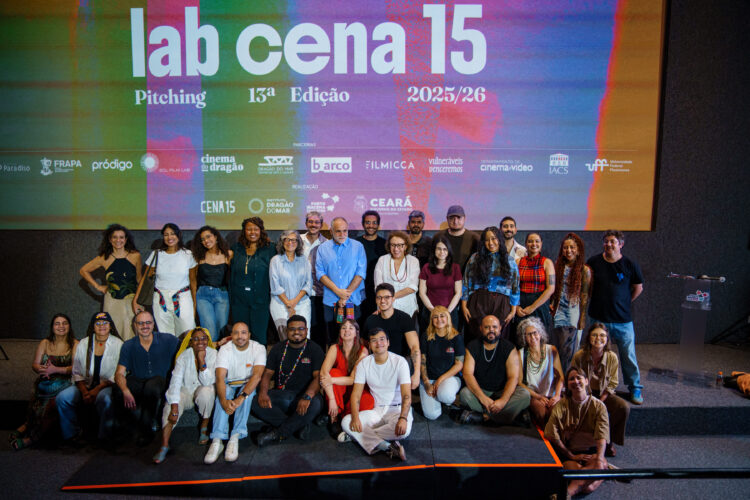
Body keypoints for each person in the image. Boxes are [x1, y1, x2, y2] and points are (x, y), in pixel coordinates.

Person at [587, 230, 645, 404]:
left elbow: (638, 288)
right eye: (606, 241)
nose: (609, 244)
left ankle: (634, 387)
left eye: (613, 241)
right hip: (599, 319)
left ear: (621, 244)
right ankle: (595, 386)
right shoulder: (593, 262)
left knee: (628, 355)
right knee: (596, 355)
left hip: (622, 321)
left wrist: (625, 302)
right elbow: (587, 286)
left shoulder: (630, 264)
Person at [341, 328, 413, 461]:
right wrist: (355, 418)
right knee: (346, 421)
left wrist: (403, 418)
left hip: (397, 410)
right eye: (374, 340)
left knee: (404, 431)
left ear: (388, 342)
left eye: (382, 339)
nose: (378, 343)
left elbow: (406, 395)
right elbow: (356, 395)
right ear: (369, 345)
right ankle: (387, 446)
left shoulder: (400, 362)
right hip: (377, 410)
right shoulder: (364, 364)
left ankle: (357, 436)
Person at [253, 316, 326, 447]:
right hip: (283, 396)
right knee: (254, 402)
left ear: (306, 330)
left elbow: (318, 377)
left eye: (301, 329)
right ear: (286, 331)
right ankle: (298, 425)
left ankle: (278, 434)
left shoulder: (315, 349)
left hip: (305, 396)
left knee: (316, 403)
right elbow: (267, 373)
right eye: (292, 329)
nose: (296, 332)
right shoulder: (278, 348)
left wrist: (307, 396)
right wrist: (263, 393)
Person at [10, 314, 77, 450]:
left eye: (64, 323)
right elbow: (35, 364)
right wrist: (43, 369)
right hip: (46, 381)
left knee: (48, 407)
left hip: (65, 382)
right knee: (37, 399)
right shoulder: (44, 343)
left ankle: (32, 438)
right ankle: (27, 426)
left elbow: (75, 368)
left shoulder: (75, 343)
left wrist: (55, 369)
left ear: (69, 326)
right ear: (52, 327)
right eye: (57, 323)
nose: (61, 326)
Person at [114, 310, 179, 446]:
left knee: (151, 387)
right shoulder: (128, 345)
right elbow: (119, 373)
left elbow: (189, 344)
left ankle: (146, 431)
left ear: (153, 324)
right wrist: (125, 391)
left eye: (148, 322)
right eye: (141, 323)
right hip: (138, 380)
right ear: (135, 325)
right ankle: (126, 430)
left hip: (160, 381)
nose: (145, 326)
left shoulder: (167, 340)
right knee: (118, 389)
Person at [153, 327, 217, 464]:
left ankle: (204, 427)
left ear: (207, 340)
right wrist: (174, 406)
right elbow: (175, 381)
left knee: (208, 392)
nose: (200, 342)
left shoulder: (213, 354)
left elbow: (207, 381)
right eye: (196, 339)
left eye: (203, 338)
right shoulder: (184, 356)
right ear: (190, 342)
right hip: (186, 391)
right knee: (170, 406)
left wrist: (202, 360)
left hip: (203, 389)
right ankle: (164, 445)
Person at [57, 312, 122, 445]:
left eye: (105, 323)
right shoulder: (84, 343)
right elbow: (76, 371)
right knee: (62, 398)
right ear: (93, 326)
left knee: (106, 399)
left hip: (106, 385)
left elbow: (118, 373)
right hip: (85, 386)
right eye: (98, 323)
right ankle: (72, 434)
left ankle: (103, 437)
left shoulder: (118, 344)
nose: (102, 326)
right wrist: (84, 391)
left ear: (110, 326)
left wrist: (97, 390)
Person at [204, 322, 265, 464]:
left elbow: (257, 376)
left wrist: (241, 398)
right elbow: (220, 378)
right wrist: (224, 401)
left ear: (249, 335)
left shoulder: (258, 348)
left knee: (248, 395)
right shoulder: (225, 349)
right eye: (236, 333)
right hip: (229, 382)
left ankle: (234, 437)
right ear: (231, 335)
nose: (240, 336)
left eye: (243, 332)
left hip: (247, 383)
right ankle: (217, 440)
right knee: (223, 393)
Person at [545, 367, 610, 497]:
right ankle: (603, 473)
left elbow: (602, 435)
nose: (575, 381)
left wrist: (599, 457)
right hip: (572, 455)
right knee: (587, 486)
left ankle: (565, 494)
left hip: (593, 454)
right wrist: (570, 455)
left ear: (586, 381)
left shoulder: (599, 406)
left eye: (579, 377)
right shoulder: (561, 405)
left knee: (597, 466)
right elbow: (550, 433)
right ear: (567, 385)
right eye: (571, 379)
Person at [455, 315, 530, 425]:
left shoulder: (509, 347)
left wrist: (503, 401)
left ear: (500, 328)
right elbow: (467, 374)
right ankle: (510, 416)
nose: (491, 330)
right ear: (481, 328)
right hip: (481, 391)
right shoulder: (472, 346)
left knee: (525, 395)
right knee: (464, 394)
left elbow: (513, 377)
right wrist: (483, 398)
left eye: (494, 327)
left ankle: (483, 417)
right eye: (487, 327)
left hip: (502, 391)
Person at [572, 323, 630, 457]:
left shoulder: (612, 357)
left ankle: (609, 442)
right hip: (585, 393)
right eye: (594, 335)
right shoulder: (580, 356)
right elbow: (574, 378)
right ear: (589, 338)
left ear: (607, 338)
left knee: (623, 407)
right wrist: (587, 398)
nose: (598, 338)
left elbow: (613, 382)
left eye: (602, 335)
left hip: (604, 394)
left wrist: (601, 401)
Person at [133, 223, 197, 336]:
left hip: (183, 297)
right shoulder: (157, 254)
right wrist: (136, 300)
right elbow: (145, 279)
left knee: (187, 333)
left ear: (178, 235)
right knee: (165, 334)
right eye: (166, 234)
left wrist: (194, 304)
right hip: (160, 298)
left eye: (172, 234)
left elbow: (193, 281)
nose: (169, 237)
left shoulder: (188, 254)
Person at [80, 224, 142, 340]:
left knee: (133, 333)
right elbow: (83, 270)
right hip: (112, 302)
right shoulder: (104, 258)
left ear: (126, 239)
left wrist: (139, 299)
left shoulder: (135, 255)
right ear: (110, 239)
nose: (118, 240)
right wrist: (97, 286)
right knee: (113, 333)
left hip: (132, 301)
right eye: (115, 237)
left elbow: (139, 279)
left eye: (121, 237)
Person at [461, 227, 520, 341]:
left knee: (499, 337)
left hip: (502, 303)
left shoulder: (509, 260)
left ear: (500, 240)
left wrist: (513, 310)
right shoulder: (475, 258)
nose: (491, 243)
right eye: (487, 240)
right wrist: (464, 305)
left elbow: (515, 287)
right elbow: (466, 282)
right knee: (476, 336)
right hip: (478, 301)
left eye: (494, 238)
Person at [319, 319, 374, 440]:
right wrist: (332, 399)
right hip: (338, 390)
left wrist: (332, 380)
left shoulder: (363, 351)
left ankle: (345, 417)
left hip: (355, 388)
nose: (346, 330)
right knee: (333, 373)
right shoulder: (334, 348)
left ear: (356, 333)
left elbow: (354, 379)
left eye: (351, 328)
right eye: (343, 328)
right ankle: (334, 419)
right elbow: (323, 373)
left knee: (368, 400)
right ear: (340, 332)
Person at [315, 217, 367, 346]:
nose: (342, 234)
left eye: (345, 231)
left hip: (352, 300)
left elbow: (360, 273)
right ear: (331, 231)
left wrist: (345, 296)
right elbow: (320, 273)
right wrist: (337, 291)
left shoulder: (358, 247)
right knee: (333, 338)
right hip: (330, 301)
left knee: (353, 337)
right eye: (338, 231)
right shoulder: (322, 248)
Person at [364, 284, 421, 390]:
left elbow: (414, 347)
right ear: (376, 300)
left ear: (393, 299)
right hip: (378, 364)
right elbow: (364, 346)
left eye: (387, 297)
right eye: (379, 297)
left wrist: (417, 374)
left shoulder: (404, 318)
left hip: (400, 364)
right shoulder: (371, 320)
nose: (382, 301)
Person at [229, 217, 275, 346]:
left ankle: (259, 359)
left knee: (259, 337)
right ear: (244, 231)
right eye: (249, 229)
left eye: (256, 229)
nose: (252, 232)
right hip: (239, 301)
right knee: (240, 337)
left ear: (261, 231)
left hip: (260, 300)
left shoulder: (270, 249)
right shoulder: (236, 249)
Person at [550, 233, 591, 373]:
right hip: (558, 311)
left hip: (573, 312)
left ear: (578, 250)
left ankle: (569, 376)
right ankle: (557, 376)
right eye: (565, 247)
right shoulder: (558, 266)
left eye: (572, 247)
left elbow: (584, 296)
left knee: (571, 348)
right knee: (558, 346)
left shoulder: (584, 270)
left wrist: (582, 319)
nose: (568, 251)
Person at [419, 306, 464, 420]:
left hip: (449, 377)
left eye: (442, 316)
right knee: (432, 415)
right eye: (435, 317)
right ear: (431, 320)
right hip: (429, 378)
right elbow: (422, 361)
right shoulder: (426, 336)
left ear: (448, 318)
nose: (439, 319)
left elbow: (459, 364)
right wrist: (426, 383)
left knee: (445, 395)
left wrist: (440, 380)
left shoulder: (456, 337)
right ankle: (438, 398)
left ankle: (445, 400)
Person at [516, 317, 563, 426]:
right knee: (541, 415)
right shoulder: (521, 354)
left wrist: (557, 395)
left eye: (535, 333)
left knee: (554, 415)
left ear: (540, 333)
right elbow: (520, 383)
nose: (533, 337)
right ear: (524, 337)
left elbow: (560, 377)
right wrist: (538, 397)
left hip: (551, 394)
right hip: (534, 395)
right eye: (528, 334)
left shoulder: (551, 350)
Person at [190, 226, 233, 342]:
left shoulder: (228, 254)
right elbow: (193, 281)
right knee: (209, 330)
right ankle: (210, 353)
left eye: (208, 237)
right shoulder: (198, 257)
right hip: (203, 296)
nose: (206, 241)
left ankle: (221, 353)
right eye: (202, 239)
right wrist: (194, 302)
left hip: (222, 295)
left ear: (216, 237)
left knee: (222, 329)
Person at [269, 230, 312, 341]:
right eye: (287, 240)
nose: (290, 242)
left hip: (302, 304)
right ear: (282, 242)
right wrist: (289, 305)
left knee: (304, 337)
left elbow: (308, 284)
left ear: (298, 242)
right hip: (280, 304)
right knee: (285, 337)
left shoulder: (304, 260)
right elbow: (275, 286)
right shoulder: (275, 261)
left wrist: (293, 303)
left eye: (293, 240)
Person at [515, 232, 555, 343]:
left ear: (541, 244)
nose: (534, 244)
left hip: (539, 304)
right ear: (526, 244)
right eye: (530, 241)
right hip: (521, 304)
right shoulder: (518, 262)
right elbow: (513, 287)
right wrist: (516, 306)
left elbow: (550, 289)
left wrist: (533, 307)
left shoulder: (547, 262)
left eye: (537, 241)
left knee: (540, 338)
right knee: (521, 338)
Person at [374, 231, 420, 323]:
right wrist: (387, 299)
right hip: (385, 308)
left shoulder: (413, 261)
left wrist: (389, 297)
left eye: (400, 245)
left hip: (408, 308)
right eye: (393, 245)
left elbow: (413, 287)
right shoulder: (382, 260)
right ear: (389, 246)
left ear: (406, 246)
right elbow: (378, 287)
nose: (396, 249)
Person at [418, 235, 462, 330]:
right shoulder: (426, 267)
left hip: (450, 311)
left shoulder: (455, 268)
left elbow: (458, 293)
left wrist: (447, 312)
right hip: (430, 311)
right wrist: (433, 310)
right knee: (428, 337)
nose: (442, 252)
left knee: (451, 338)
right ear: (434, 250)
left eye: (445, 249)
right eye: (439, 249)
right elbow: (422, 293)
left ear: (449, 251)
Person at [302, 211, 328, 345]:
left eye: (317, 222)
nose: (313, 225)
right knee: (302, 329)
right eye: (310, 222)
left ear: (321, 225)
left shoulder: (327, 244)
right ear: (306, 223)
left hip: (319, 293)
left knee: (319, 330)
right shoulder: (297, 240)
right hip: (299, 293)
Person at [356, 210, 387, 320]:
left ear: (378, 225)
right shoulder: (356, 244)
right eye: (368, 222)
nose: (371, 226)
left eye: (374, 223)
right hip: (358, 289)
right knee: (358, 321)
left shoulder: (385, 244)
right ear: (363, 224)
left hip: (377, 290)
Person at [434, 205, 478, 272]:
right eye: (452, 218)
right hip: (442, 276)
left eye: (459, 217)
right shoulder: (438, 236)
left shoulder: (474, 238)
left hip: (465, 277)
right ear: (447, 219)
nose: (455, 221)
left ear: (464, 218)